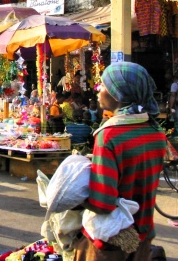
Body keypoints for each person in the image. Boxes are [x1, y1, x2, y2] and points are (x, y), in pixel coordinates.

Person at [72, 62, 167, 260]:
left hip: (109, 241)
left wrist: (72, 198)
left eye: (104, 86)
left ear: (119, 94)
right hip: (143, 235)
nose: (98, 91)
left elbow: (103, 202)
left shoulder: (109, 135)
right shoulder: (157, 133)